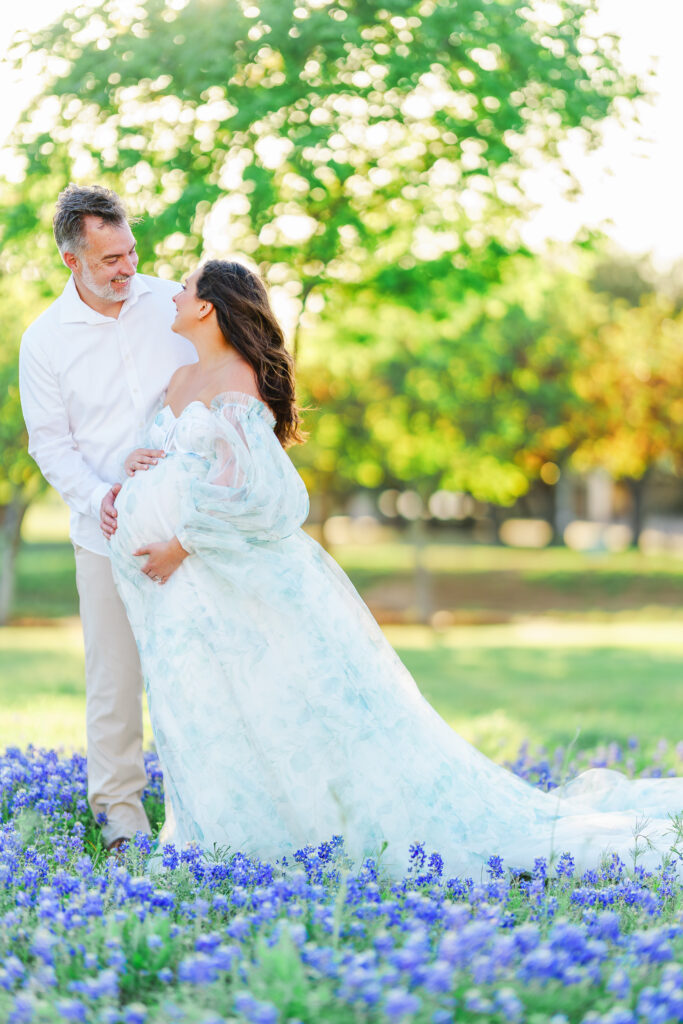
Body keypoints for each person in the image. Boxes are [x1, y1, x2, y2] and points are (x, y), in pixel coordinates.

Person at [107, 259, 683, 878]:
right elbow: (178, 461)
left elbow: (260, 495)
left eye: (186, 287)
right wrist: (133, 474)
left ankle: (303, 838)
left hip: (226, 579)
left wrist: (181, 544)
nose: (174, 294)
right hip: (185, 601)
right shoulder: (177, 381)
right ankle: (225, 842)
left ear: (208, 307)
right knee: (208, 710)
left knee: (284, 708)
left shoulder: (240, 378)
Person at [19, 184, 195, 851]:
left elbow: (204, 395)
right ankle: (122, 820)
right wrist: (103, 499)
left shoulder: (170, 305)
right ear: (72, 261)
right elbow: (51, 445)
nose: (126, 268)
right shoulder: (44, 342)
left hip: (186, 533)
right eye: (109, 260)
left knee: (195, 672)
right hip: (103, 536)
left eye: (130, 252)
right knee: (114, 682)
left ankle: (200, 813)